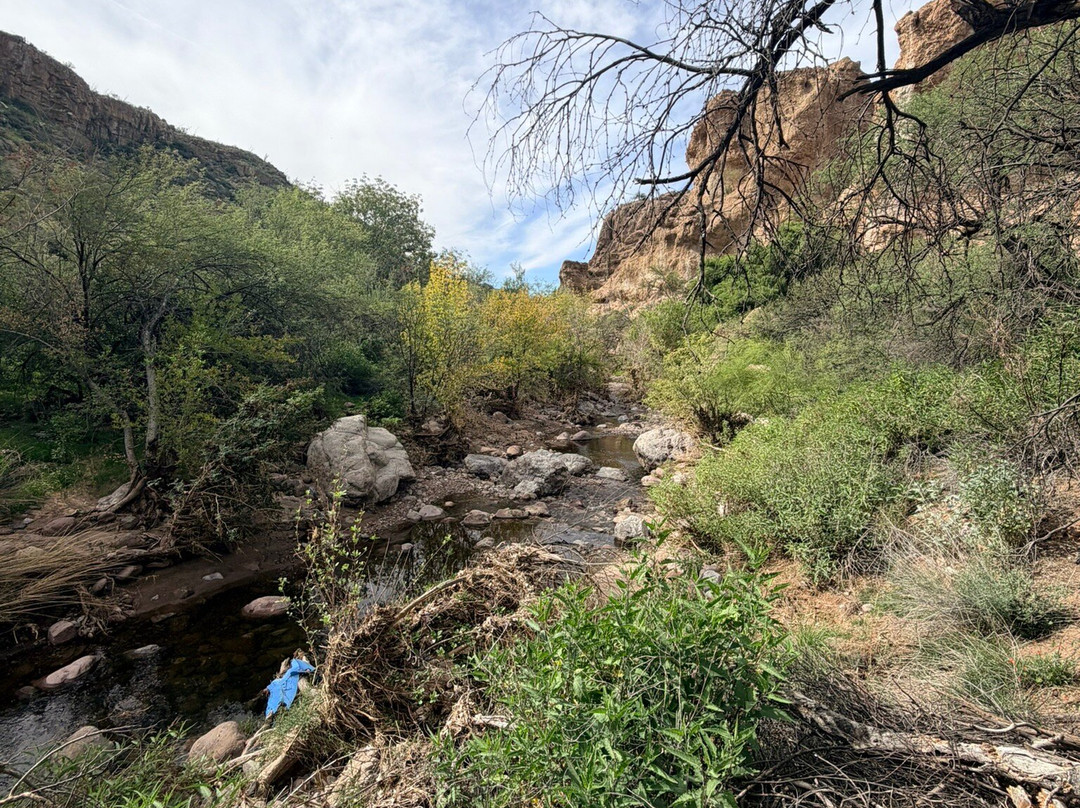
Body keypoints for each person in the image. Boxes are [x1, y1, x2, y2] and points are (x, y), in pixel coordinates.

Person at [263, 650, 315, 718]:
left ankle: (273, 715)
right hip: (285, 688)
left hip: (288, 687)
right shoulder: (278, 680)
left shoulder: (295, 667)